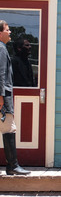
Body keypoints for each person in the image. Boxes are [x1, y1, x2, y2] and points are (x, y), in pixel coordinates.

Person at [0, 20, 30, 175]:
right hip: (3, 98)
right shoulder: (1, 48)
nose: (10, 31)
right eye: (7, 29)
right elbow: (1, 74)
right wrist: (1, 97)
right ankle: (13, 166)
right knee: (9, 129)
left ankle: (12, 166)